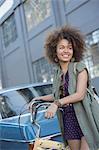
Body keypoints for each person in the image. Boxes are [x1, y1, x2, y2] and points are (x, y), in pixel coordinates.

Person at [29, 25, 99, 150]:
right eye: (61, 47)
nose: (66, 50)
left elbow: (79, 94)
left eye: (69, 48)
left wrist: (56, 103)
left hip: (86, 116)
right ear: (54, 51)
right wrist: (38, 98)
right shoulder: (57, 74)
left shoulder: (80, 68)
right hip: (69, 119)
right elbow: (57, 95)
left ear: (74, 50)